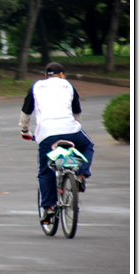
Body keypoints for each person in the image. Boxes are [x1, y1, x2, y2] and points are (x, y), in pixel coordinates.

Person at [19, 62, 94, 225]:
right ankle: (81, 174)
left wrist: (25, 130)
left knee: (45, 171)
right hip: (71, 130)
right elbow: (77, 111)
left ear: (46, 75)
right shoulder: (67, 85)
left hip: (47, 133)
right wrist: (76, 126)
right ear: (61, 75)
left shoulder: (36, 86)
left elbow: (26, 111)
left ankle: (48, 207)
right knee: (88, 145)